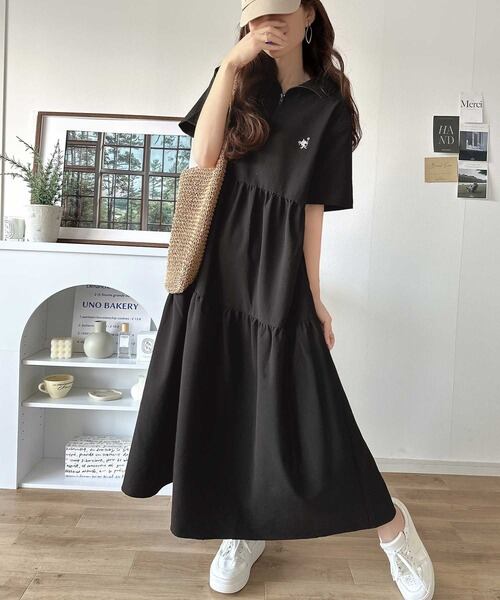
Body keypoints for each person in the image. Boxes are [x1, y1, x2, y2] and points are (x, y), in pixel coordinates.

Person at [121, 0, 435, 598]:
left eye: (285, 8)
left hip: (278, 267)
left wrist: (314, 294)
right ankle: (243, 529)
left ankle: (393, 527)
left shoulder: (329, 103)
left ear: (309, 14)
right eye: (260, 12)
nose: (273, 22)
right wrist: (229, 65)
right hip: (214, 264)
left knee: (313, 411)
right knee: (226, 397)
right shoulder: (236, 77)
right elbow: (202, 161)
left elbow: (313, 209)